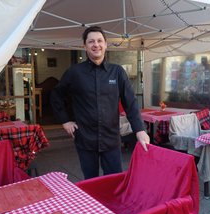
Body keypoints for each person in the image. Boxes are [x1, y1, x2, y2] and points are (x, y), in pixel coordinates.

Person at [50, 26, 150, 179]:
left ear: (106, 44)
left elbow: (130, 102)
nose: (96, 44)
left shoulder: (117, 72)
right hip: (85, 139)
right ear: (84, 46)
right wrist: (65, 121)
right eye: (91, 41)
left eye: (99, 41)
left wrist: (140, 129)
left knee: (115, 181)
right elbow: (56, 95)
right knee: (91, 182)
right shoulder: (74, 73)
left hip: (111, 139)